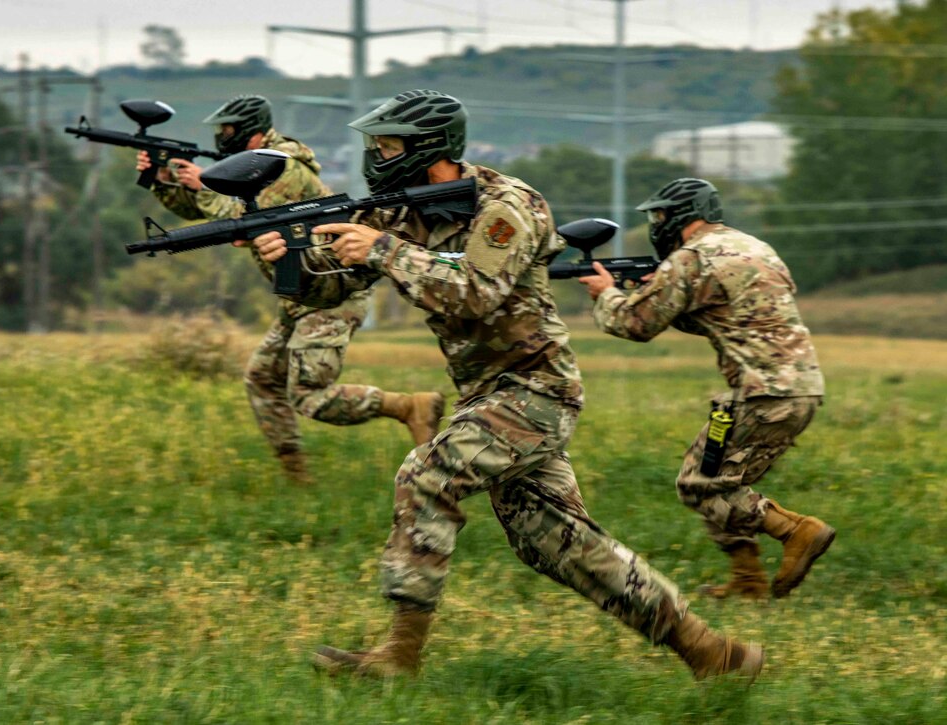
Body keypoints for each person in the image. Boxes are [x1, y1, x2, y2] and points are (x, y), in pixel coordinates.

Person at [250, 89, 763, 680]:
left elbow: (474, 291)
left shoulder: (508, 205)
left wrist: (386, 251)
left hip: (537, 389)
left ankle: (400, 655)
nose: (375, 155)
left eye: (386, 145)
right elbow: (331, 293)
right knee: (557, 543)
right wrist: (284, 254)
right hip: (486, 395)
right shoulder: (393, 212)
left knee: (426, 475)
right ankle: (711, 654)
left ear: (428, 149)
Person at [135, 94, 444, 484]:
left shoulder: (282, 167)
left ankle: (410, 407)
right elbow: (211, 213)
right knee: (263, 379)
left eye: (228, 130)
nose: (221, 138)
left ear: (253, 133)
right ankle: (298, 479)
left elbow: (239, 215)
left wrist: (202, 184)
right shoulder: (257, 165)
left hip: (332, 289)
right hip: (300, 290)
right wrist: (160, 182)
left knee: (310, 395)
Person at [579, 177, 834, 600]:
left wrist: (607, 295)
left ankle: (797, 532)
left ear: (681, 215)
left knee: (699, 484)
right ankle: (747, 579)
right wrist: (651, 290)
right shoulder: (754, 247)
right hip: (800, 389)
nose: (657, 224)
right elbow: (721, 315)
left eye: (660, 215)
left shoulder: (691, 258)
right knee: (719, 480)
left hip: (762, 394)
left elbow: (634, 325)